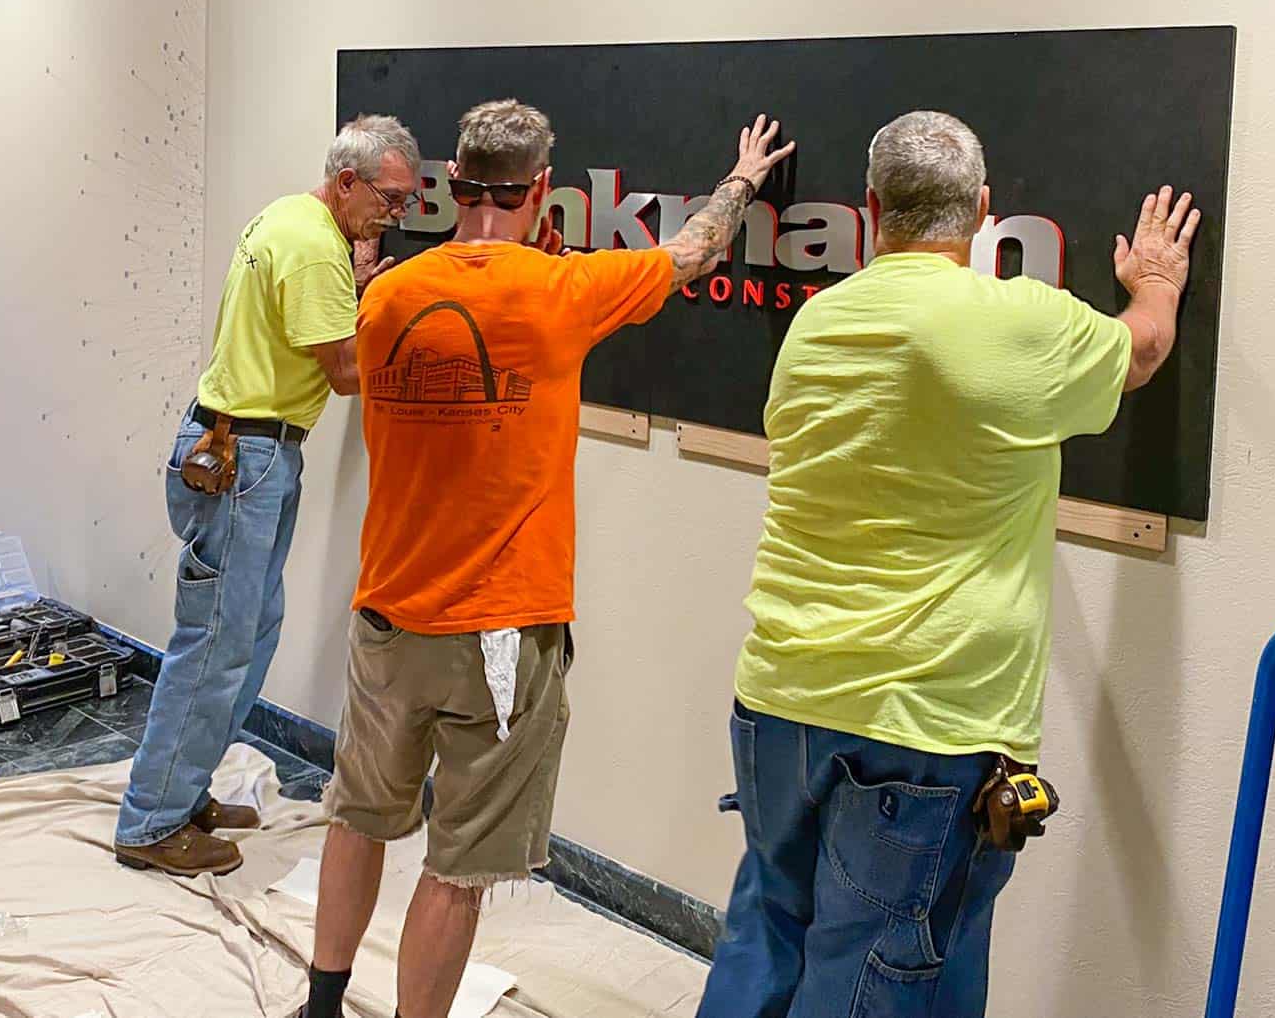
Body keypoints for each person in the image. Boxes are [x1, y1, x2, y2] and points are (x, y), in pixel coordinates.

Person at [294, 100, 795, 1018]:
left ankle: (320, 1007)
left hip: (385, 620)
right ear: (541, 194)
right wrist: (743, 181)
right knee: (456, 869)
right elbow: (694, 251)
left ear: (449, 185)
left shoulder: (388, 296)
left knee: (357, 819)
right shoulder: (564, 291)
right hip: (501, 635)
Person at [696, 111, 1201, 1017]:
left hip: (779, 701)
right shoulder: (1013, 322)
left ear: (868, 210)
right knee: (872, 979)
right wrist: (1156, 283)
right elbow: (1142, 350)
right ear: (981, 211)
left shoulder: (816, 325)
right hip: (923, 725)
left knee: (766, 933)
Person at [113, 115, 421, 876]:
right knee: (216, 643)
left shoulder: (292, 217)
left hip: (249, 450)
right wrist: (408, 315)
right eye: (389, 199)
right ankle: (151, 822)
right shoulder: (318, 248)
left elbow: (305, 324)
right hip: (241, 457)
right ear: (346, 182)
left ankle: (179, 793)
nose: (395, 215)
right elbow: (346, 373)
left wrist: (363, 287)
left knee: (248, 634)